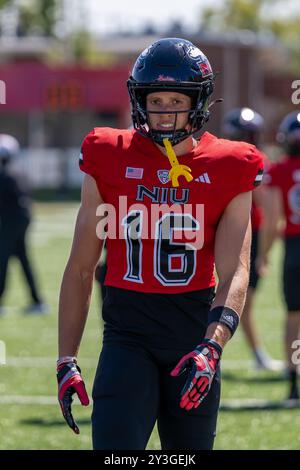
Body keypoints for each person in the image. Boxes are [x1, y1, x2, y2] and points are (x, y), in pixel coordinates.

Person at [57, 38, 264, 450]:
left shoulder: (231, 164)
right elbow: (81, 267)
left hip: (194, 336)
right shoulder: (106, 153)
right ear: (140, 101)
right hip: (126, 335)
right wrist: (66, 358)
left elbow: (236, 270)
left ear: (199, 102)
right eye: (156, 99)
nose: (165, 111)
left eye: (176, 99)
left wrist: (213, 346)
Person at [222, 107, 281, 371]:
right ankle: (254, 354)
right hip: (241, 234)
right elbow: (269, 209)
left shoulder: (243, 159)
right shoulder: (249, 159)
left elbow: (267, 208)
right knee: (236, 297)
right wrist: (264, 253)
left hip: (239, 233)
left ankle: (255, 354)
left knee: (236, 297)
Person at [257, 111, 300, 399]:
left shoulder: (281, 169)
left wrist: (263, 254)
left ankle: (293, 385)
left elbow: (272, 220)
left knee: (293, 318)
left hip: (295, 248)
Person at [0, 134, 47, 315]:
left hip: (10, 223)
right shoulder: (21, 173)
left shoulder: (5, 175)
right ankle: (37, 301)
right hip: (22, 221)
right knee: (23, 260)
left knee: (3, 261)